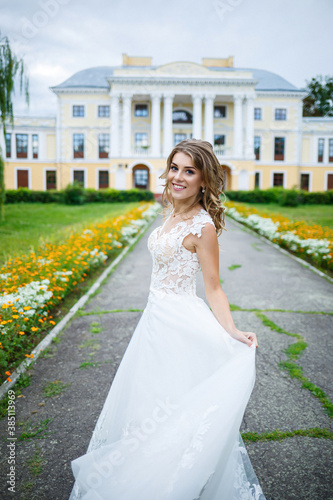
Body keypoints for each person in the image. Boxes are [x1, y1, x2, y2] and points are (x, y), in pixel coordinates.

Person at [69, 139, 266, 499]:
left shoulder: (202, 228)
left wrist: (233, 330)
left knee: (168, 407)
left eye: (189, 171)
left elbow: (213, 288)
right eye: (174, 167)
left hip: (178, 323)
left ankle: (169, 481)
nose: (178, 177)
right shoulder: (172, 210)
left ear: (204, 180)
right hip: (154, 320)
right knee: (148, 406)